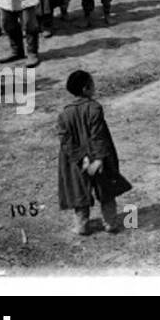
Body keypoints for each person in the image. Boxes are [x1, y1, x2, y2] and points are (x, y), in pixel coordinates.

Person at [57, 70, 132, 236]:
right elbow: (98, 136)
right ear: (86, 89)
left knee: (79, 191)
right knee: (105, 189)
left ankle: (81, 226)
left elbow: (65, 140)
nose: (94, 86)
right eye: (92, 84)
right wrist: (97, 159)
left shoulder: (64, 113)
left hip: (75, 160)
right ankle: (110, 223)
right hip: (98, 156)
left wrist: (80, 157)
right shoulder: (94, 108)